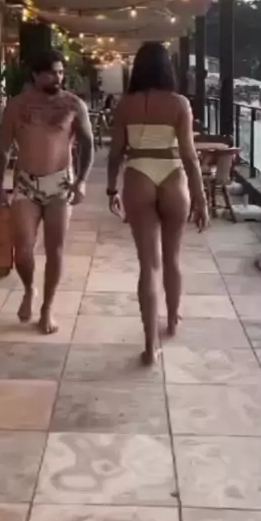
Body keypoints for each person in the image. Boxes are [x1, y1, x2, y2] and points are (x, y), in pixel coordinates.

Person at [107, 41, 209, 365]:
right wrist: (201, 199)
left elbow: (115, 153)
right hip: (173, 175)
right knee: (173, 258)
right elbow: (190, 156)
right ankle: (173, 320)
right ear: (168, 67)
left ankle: (150, 347)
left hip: (138, 174)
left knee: (148, 265)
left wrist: (110, 189)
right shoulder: (179, 103)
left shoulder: (125, 105)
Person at [0, 49, 94, 334]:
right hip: (26, 183)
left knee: (54, 249)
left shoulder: (73, 105)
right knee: (23, 251)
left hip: (60, 184)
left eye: (60, 72)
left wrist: (82, 181)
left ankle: (47, 308)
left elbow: (88, 145)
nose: (57, 78)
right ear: (35, 75)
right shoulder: (16, 106)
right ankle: (29, 289)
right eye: (51, 73)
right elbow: (2, 150)